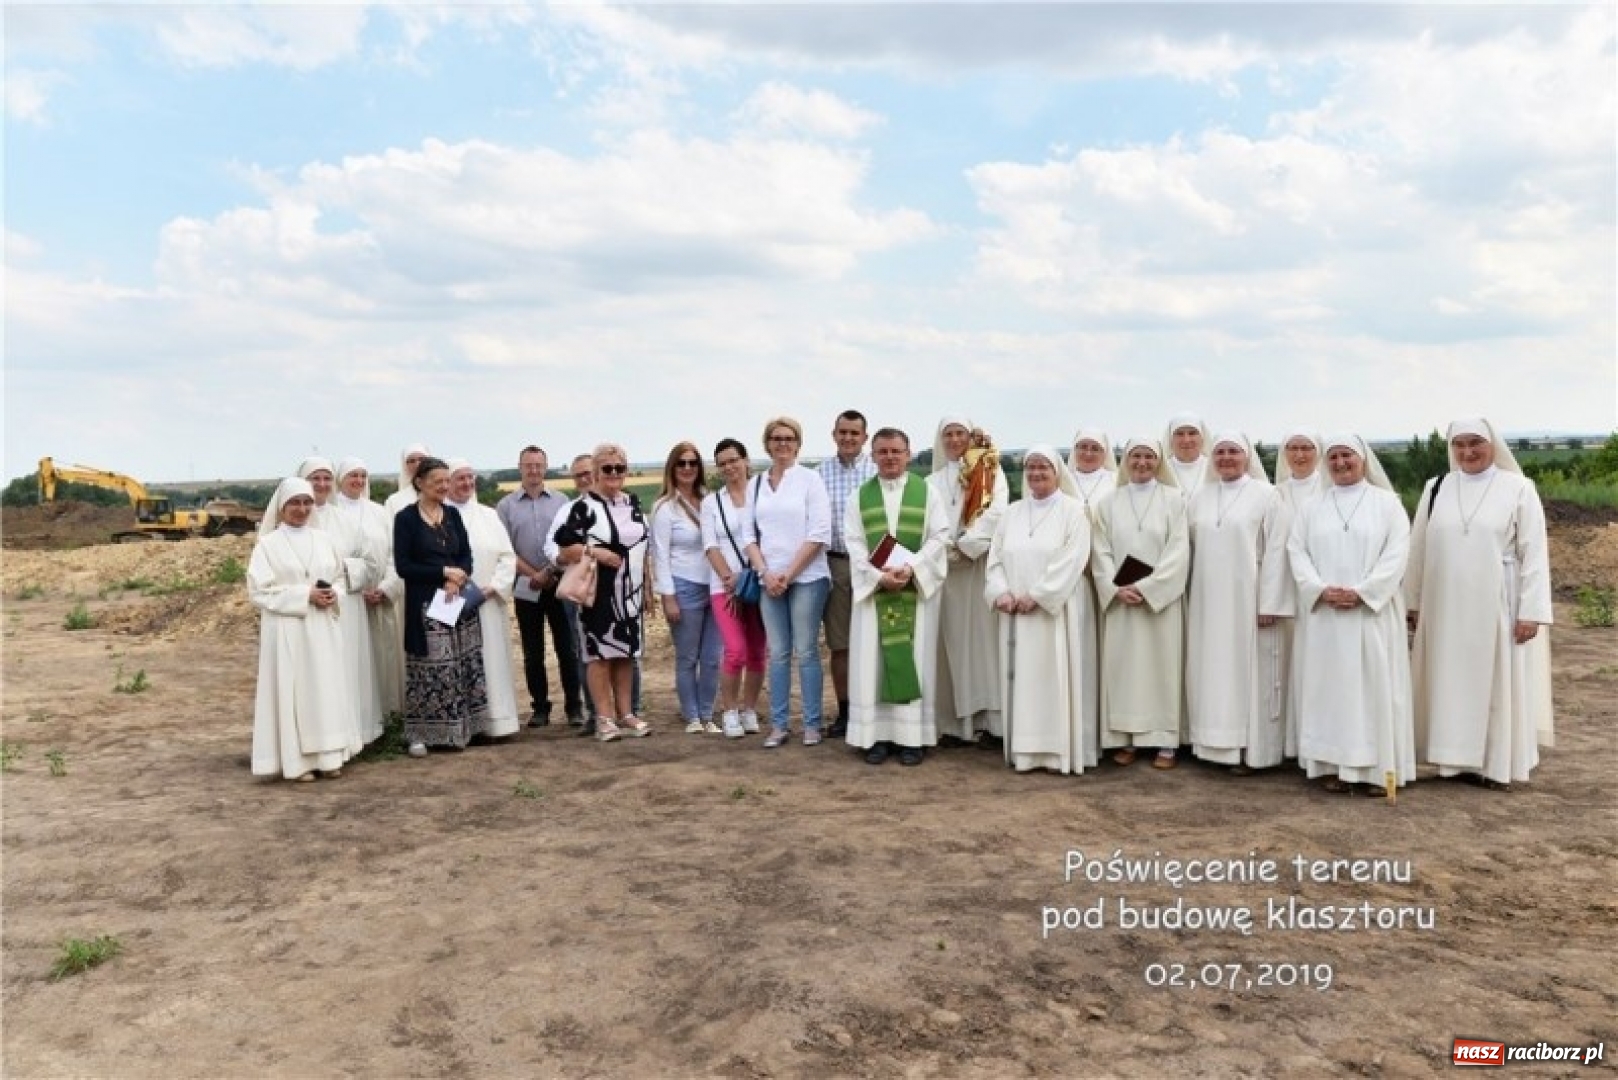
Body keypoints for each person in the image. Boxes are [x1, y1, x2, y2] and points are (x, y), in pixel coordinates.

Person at [1407, 418, 1553, 790]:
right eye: (1459, 445)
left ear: (1493, 445)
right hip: (1443, 604)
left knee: (1493, 681)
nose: (1468, 452)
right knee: (1447, 678)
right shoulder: (1436, 487)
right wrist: (1413, 600)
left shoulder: (1518, 488)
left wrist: (1531, 611)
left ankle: (1493, 763)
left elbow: (1533, 553)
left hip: (1496, 602)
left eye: (1476, 443)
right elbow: (1418, 548)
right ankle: (1450, 760)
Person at [1288, 434, 1415, 794]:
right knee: (1329, 691)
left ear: (1363, 460)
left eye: (1347, 456)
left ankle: (1378, 772)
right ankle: (1331, 764)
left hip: (1370, 615)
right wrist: (1318, 589)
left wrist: (1363, 593)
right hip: (1326, 615)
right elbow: (1296, 551)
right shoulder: (1312, 507)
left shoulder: (1387, 504)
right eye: (1334, 457)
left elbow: (1397, 553)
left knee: (1374, 689)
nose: (1341, 463)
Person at [1184, 433, 1293, 772]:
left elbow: (1277, 550)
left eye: (1234, 452)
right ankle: (1210, 744)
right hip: (1206, 600)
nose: (1226, 458)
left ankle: (1251, 750)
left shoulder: (1267, 495)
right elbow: (1186, 549)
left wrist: (1270, 602)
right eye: (1220, 452)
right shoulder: (1199, 497)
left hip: (1249, 600)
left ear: (1247, 457)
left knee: (1248, 674)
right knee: (1210, 668)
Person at [985, 445, 1096, 775]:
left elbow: (1073, 559)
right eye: (1031, 467)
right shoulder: (1012, 512)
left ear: (1057, 472)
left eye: (1043, 467)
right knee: (1024, 682)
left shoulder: (1074, 511)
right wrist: (1000, 592)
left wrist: (1038, 595)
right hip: (1016, 612)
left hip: (1054, 611)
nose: (1036, 473)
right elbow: (995, 559)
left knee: (1055, 677)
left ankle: (1057, 752)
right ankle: (1025, 751)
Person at [844, 428, 951, 766]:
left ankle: (912, 739)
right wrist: (879, 577)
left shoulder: (927, 493)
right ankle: (875, 738)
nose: (889, 457)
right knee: (871, 664)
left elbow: (940, 536)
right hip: (875, 593)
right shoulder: (859, 496)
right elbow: (854, 543)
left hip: (913, 591)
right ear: (872, 455)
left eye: (895, 451)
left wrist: (910, 567)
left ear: (908, 453)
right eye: (882, 452)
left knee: (914, 659)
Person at [248, 477, 358, 782]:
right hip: (288, 629)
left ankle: (329, 755)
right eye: (295, 503)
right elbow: (258, 591)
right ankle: (299, 762)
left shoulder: (324, 540)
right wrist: (303, 595)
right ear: (282, 507)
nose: (302, 508)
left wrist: (334, 594)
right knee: (295, 691)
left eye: (307, 502)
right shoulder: (267, 545)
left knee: (325, 689)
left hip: (322, 628)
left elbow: (338, 578)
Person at [1090, 438, 1190, 769]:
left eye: (1149, 456)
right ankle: (1127, 738)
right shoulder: (1108, 503)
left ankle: (1164, 742)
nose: (1142, 462)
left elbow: (1178, 552)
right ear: (1125, 461)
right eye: (1136, 456)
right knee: (1123, 670)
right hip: (1121, 600)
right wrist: (1114, 588)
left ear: (1159, 461)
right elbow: (1100, 549)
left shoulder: (1175, 500)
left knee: (1162, 669)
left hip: (1158, 603)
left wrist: (1147, 588)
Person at [554, 443, 652, 742]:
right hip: (599, 593)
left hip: (630, 592)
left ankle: (627, 713)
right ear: (595, 472)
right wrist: (594, 551)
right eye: (607, 468)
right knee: (599, 655)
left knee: (625, 654)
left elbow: (642, 548)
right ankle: (604, 718)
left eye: (619, 468)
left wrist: (646, 586)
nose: (614, 474)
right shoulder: (584, 507)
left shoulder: (632, 503)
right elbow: (564, 547)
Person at [393, 455, 489, 756]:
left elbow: (466, 556)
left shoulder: (452, 515)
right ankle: (423, 733)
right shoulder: (406, 519)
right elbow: (404, 566)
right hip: (426, 607)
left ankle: (464, 729)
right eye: (438, 482)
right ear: (419, 482)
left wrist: (456, 579)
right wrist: (442, 573)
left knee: (463, 664)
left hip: (457, 602)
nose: (444, 487)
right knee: (431, 669)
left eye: (447, 481)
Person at [750, 416, 831, 748]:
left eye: (789, 438)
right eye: (776, 438)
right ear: (767, 443)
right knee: (779, 652)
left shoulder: (811, 480)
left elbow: (819, 532)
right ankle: (779, 725)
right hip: (768, 579)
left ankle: (812, 723)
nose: (782, 443)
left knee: (806, 650)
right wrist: (766, 573)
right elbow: (748, 535)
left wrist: (789, 574)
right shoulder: (756, 483)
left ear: (798, 443)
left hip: (808, 577)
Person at [927, 416, 1008, 745]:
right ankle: (953, 725)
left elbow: (997, 511)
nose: (955, 439)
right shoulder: (930, 482)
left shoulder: (989, 471)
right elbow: (929, 524)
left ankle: (992, 723)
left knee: (984, 645)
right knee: (951, 647)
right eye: (948, 434)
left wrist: (968, 545)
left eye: (960, 433)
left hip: (978, 568)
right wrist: (947, 549)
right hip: (945, 571)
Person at [496, 445, 585, 729]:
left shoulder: (562, 502)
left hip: (560, 582)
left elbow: (569, 543)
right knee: (532, 651)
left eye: (538, 465)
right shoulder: (506, 506)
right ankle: (540, 708)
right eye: (528, 465)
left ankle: (574, 707)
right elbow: (505, 550)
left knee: (567, 647)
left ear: (545, 467)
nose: (533, 470)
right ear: (520, 467)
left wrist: (548, 571)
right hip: (526, 586)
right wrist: (533, 574)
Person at [298, 456, 384, 746]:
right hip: (306, 608)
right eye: (314, 479)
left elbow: (369, 562)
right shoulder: (293, 517)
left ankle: (353, 735)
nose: (321, 485)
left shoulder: (344, 519)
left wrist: (339, 572)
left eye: (326, 479)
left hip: (346, 604)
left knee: (348, 670)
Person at [447, 459, 520, 740]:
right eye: (459, 479)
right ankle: (463, 725)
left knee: (492, 660)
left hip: (488, 601)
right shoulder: (439, 516)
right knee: (456, 661)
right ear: (448, 483)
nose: (466, 484)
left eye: (470, 478)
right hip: (452, 600)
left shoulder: (489, 516)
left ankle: (495, 723)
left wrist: (493, 588)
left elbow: (507, 556)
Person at [652, 441, 721, 733]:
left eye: (693, 463)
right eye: (681, 463)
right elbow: (660, 554)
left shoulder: (711, 500)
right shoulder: (664, 508)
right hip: (683, 586)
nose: (688, 468)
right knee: (687, 656)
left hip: (715, 586)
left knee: (712, 657)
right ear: (672, 468)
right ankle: (691, 715)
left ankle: (708, 714)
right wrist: (668, 597)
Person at [702, 438, 768, 739]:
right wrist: (729, 578)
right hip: (725, 587)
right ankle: (729, 711)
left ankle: (749, 709)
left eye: (734, 460)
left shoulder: (764, 493)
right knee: (735, 650)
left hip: (761, 582)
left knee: (758, 651)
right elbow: (710, 545)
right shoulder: (712, 503)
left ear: (746, 460)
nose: (730, 467)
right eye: (723, 463)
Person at [817, 410, 876, 738]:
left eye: (855, 433)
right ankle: (846, 711)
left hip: (874, 564)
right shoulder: (819, 474)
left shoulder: (877, 470)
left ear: (865, 437)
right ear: (834, 434)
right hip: (836, 564)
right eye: (843, 432)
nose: (848, 438)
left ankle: (876, 708)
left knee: (878, 638)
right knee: (841, 643)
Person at [335, 458, 406, 727]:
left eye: (363, 475)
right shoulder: (331, 513)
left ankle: (387, 721)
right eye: (352, 475)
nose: (358, 480)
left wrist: (385, 589)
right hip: (349, 599)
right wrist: (354, 587)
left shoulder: (378, 512)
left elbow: (394, 555)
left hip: (380, 598)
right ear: (341, 479)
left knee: (383, 662)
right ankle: (355, 725)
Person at [1270, 429, 1322, 759]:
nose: (1300, 455)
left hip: (1317, 591)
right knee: (1281, 669)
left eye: (1307, 448)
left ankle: (1311, 742)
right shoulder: (1274, 493)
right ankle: (1284, 742)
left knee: (1312, 669)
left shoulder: (1330, 490)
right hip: (1280, 588)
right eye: (1293, 448)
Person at [1066, 429, 1117, 747]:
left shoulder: (1115, 482)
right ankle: (1082, 727)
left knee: (1109, 655)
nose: (1087, 453)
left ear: (1105, 452)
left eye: (1095, 448)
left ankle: (1109, 729)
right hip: (1074, 580)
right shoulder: (1060, 478)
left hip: (1109, 576)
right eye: (1082, 447)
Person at [1164, 415, 1210, 497]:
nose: (1186, 440)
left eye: (1192, 433)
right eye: (1180, 434)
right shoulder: (1162, 469)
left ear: (1202, 438)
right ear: (1170, 440)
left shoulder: (1214, 468)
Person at [384, 443, 431, 518]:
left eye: (421, 459)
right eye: (412, 461)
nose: (417, 464)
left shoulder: (443, 495)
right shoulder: (394, 501)